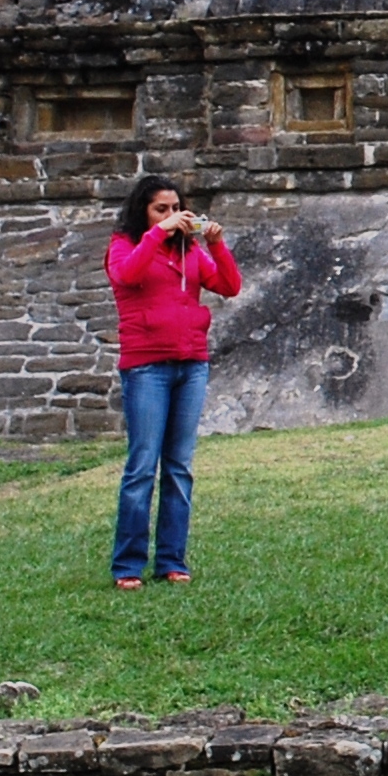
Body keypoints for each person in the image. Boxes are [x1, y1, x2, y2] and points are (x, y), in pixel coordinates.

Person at [105, 176, 241, 589]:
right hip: (147, 366)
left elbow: (229, 286)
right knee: (142, 466)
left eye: (175, 208)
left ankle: (171, 560)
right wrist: (156, 235)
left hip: (191, 363)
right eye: (160, 209)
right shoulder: (124, 246)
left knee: (179, 467)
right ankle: (128, 564)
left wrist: (215, 243)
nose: (171, 216)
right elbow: (127, 276)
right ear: (142, 212)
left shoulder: (191, 251)